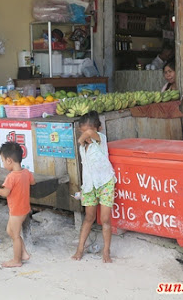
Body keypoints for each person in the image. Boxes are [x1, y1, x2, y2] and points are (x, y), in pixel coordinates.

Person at [71, 111, 115, 263]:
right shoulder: (83, 147)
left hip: (105, 183)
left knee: (105, 219)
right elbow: (86, 134)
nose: (87, 136)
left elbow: (90, 132)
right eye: (82, 132)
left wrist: (83, 137)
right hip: (89, 186)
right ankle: (80, 249)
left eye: (89, 132)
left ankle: (106, 251)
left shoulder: (101, 140)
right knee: (89, 217)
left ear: (99, 129)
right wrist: (82, 140)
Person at [0, 142, 35, 268]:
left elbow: (5, 193)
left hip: (16, 210)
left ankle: (17, 260)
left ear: (9, 160)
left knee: (15, 235)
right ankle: (24, 253)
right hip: (24, 208)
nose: (3, 163)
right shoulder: (26, 172)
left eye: (3, 160)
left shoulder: (11, 177)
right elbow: (33, 182)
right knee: (9, 231)